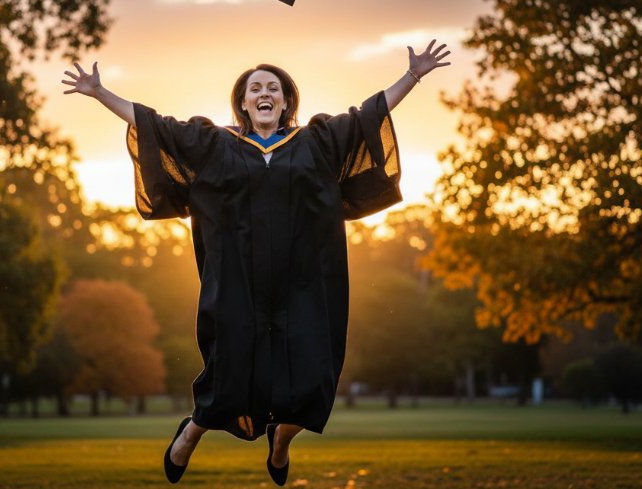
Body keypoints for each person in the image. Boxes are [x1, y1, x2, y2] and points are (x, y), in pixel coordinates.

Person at [61, 40, 450, 485]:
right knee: (229, 376)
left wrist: (414, 75)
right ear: (244, 104)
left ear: (285, 101)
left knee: (312, 381)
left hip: (303, 285)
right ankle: (191, 432)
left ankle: (280, 443)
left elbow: (367, 118)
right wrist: (100, 92)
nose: (264, 93)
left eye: (273, 88)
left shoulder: (316, 142)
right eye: (254, 88)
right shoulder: (214, 144)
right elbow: (156, 126)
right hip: (237, 285)